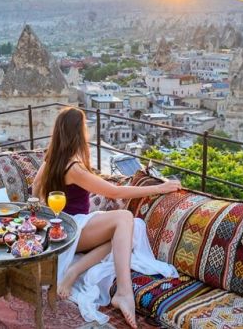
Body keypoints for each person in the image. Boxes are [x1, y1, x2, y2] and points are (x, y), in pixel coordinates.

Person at [32, 107, 181, 328]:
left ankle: (75, 269)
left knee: (129, 229)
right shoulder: (73, 168)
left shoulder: (51, 158)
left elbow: (35, 190)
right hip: (72, 229)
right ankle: (123, 291)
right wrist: (161, 188)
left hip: (59, 225)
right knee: (124, 218)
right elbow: (115, 192)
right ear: (79, 132)